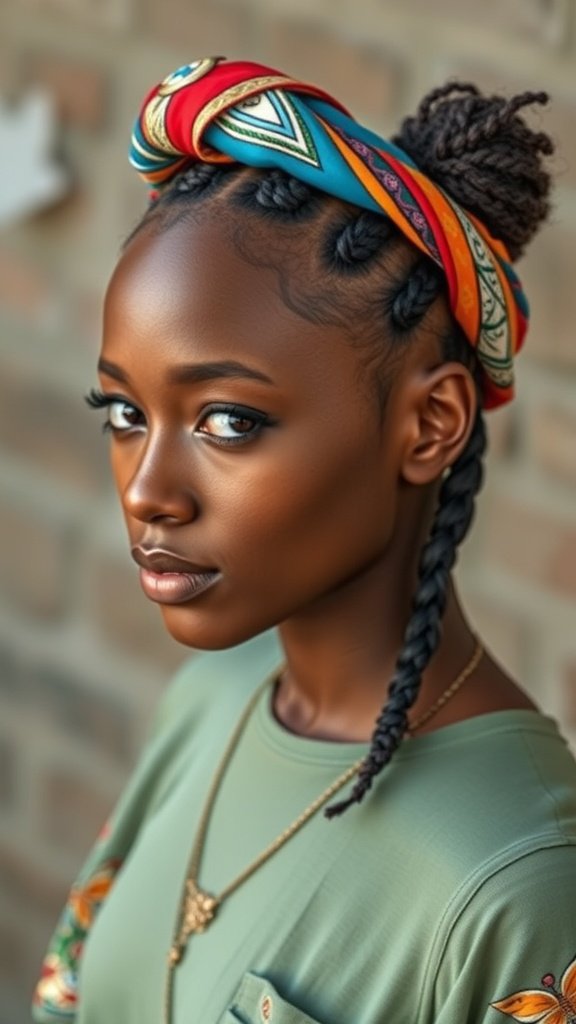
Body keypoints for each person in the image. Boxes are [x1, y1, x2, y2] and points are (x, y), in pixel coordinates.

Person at [33, 57, 576, 1024]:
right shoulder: (214, 696)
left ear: (429, 425)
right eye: (123, 411)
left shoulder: (517, 885)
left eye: (229, 422)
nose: (148, 492)